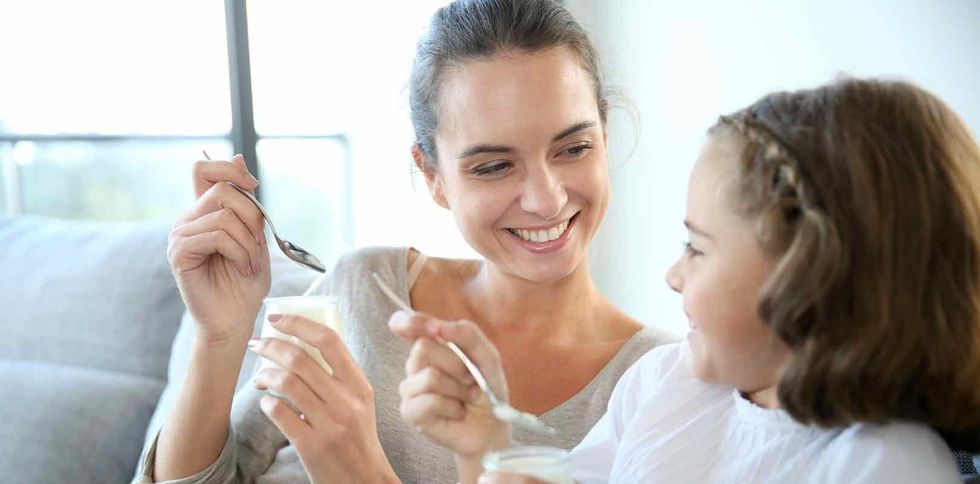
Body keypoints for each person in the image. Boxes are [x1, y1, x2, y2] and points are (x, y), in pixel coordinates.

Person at [135, 0, 676, 482]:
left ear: (605, 134)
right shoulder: (364, 286)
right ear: (432, 175)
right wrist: (219, 336)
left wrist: (357, 469)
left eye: (573, 148)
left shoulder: (661, 381)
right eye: (494, 166)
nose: (546, 199)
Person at [395, 77, 980, 483]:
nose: (673, 275)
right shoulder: (663, 384)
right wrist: (489, 444)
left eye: (697, 248)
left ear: (814, 278)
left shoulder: (884, 466)